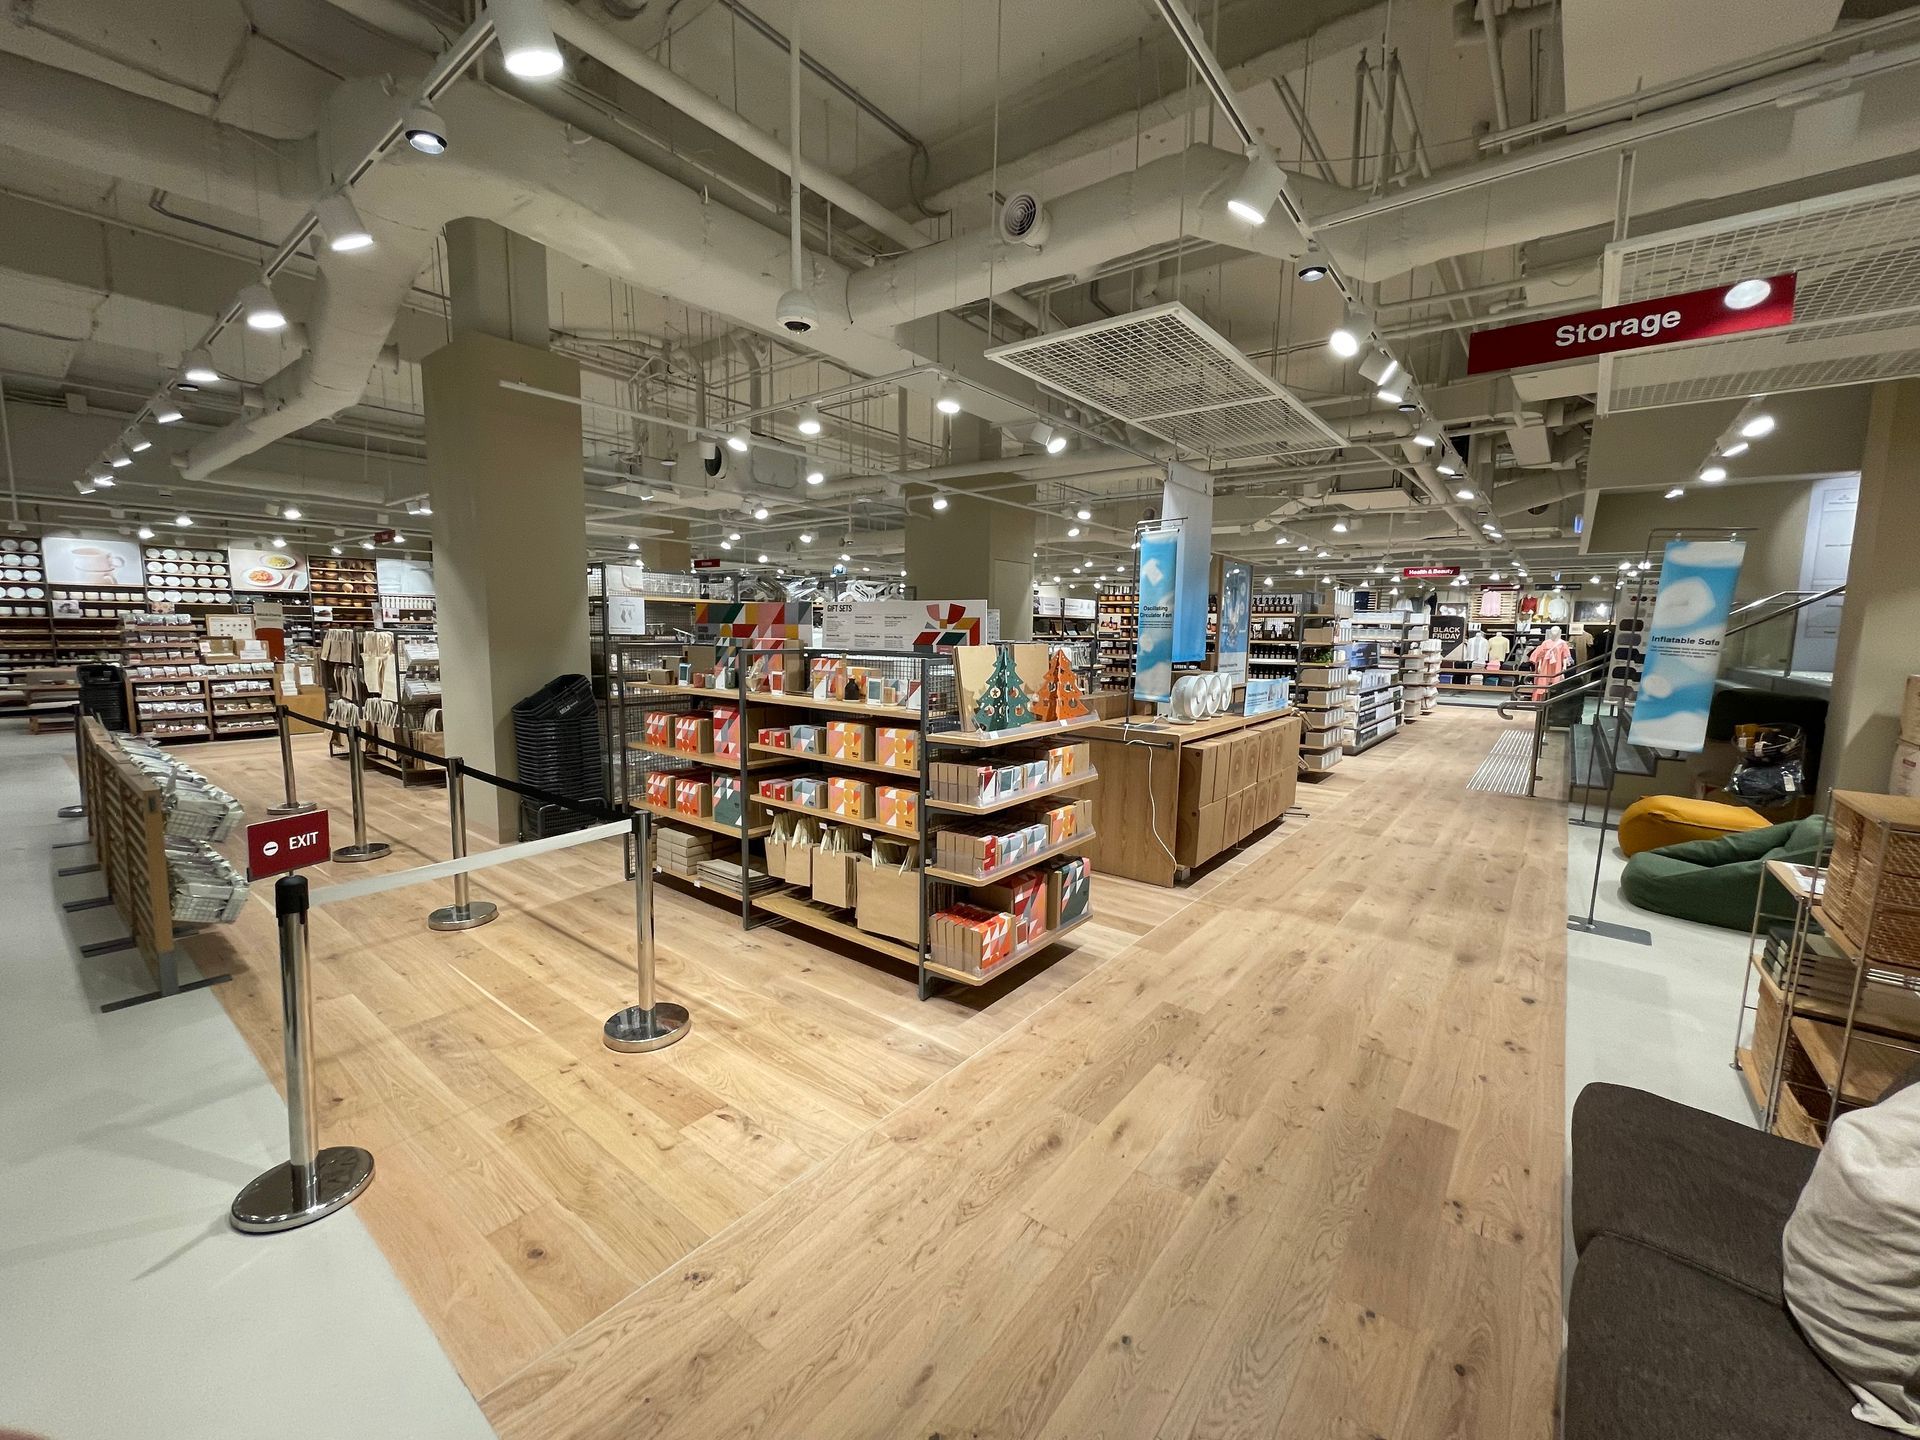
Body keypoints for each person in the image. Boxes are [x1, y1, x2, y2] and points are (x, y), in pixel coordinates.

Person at [1528, 624, 1573, 701]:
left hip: (1557, 665)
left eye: (1555, 631)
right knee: (1543, 680)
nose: (1554, 632)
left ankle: (1554, 699)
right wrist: (1539, 665)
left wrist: (1564, 666)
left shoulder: (1562, 643)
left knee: (1556, 680)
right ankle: (1542, 699)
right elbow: (1541, 655)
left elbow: (1565, 656)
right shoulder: (1546, 643)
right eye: (1552, 631)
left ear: (1559, 632)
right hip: (1546, 664)